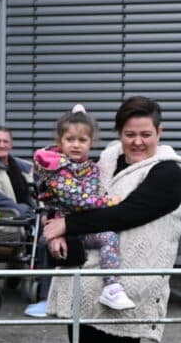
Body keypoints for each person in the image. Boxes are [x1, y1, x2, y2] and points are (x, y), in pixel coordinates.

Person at [42, 96, 181, 343]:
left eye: (146, 134)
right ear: (119, 133)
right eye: (130, 134)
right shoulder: (101, 162)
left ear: (159, 132)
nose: (137, 142)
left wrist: (69, 226)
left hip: (129, 284)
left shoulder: (169, 172)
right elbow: (64, 193)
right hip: (82, 281)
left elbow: (130, 212)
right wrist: (53, 226)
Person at [33, 111, 136, 313]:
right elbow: (77, 200)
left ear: (91, 142)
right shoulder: (57, 168)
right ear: (60, 141)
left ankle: (112, 286)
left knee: (110, 236)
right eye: (70, 139)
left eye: (82, 139)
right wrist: (109, 201)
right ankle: (112, 286)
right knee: (108, 237)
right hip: (66, 226)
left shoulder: (89, 166)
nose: (76, 145)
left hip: (79, 224)